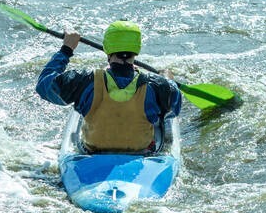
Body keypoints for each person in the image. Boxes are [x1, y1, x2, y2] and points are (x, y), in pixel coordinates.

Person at [36, 20, 181, 153]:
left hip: (94, 153)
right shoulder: (158, 85)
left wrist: (66, 50)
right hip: (140, 153)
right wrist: (167, 80)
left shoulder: (84, 80)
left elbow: (44, 85)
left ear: (107, 48)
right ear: (137, 49)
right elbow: (174, 110)